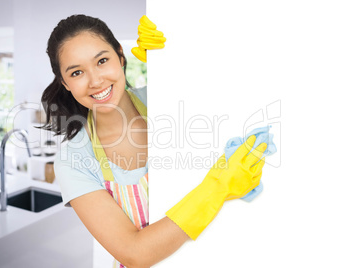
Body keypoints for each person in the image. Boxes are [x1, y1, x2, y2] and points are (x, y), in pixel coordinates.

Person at [41, 14, 268, 268]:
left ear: (121, 55)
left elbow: (233, 82)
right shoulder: (73, 160)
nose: (95, 81)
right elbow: (134, 253)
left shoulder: (170, 96)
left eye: (102, 60)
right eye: (77, 72)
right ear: (65, 83)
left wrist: (174, 58)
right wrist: (217, 188)